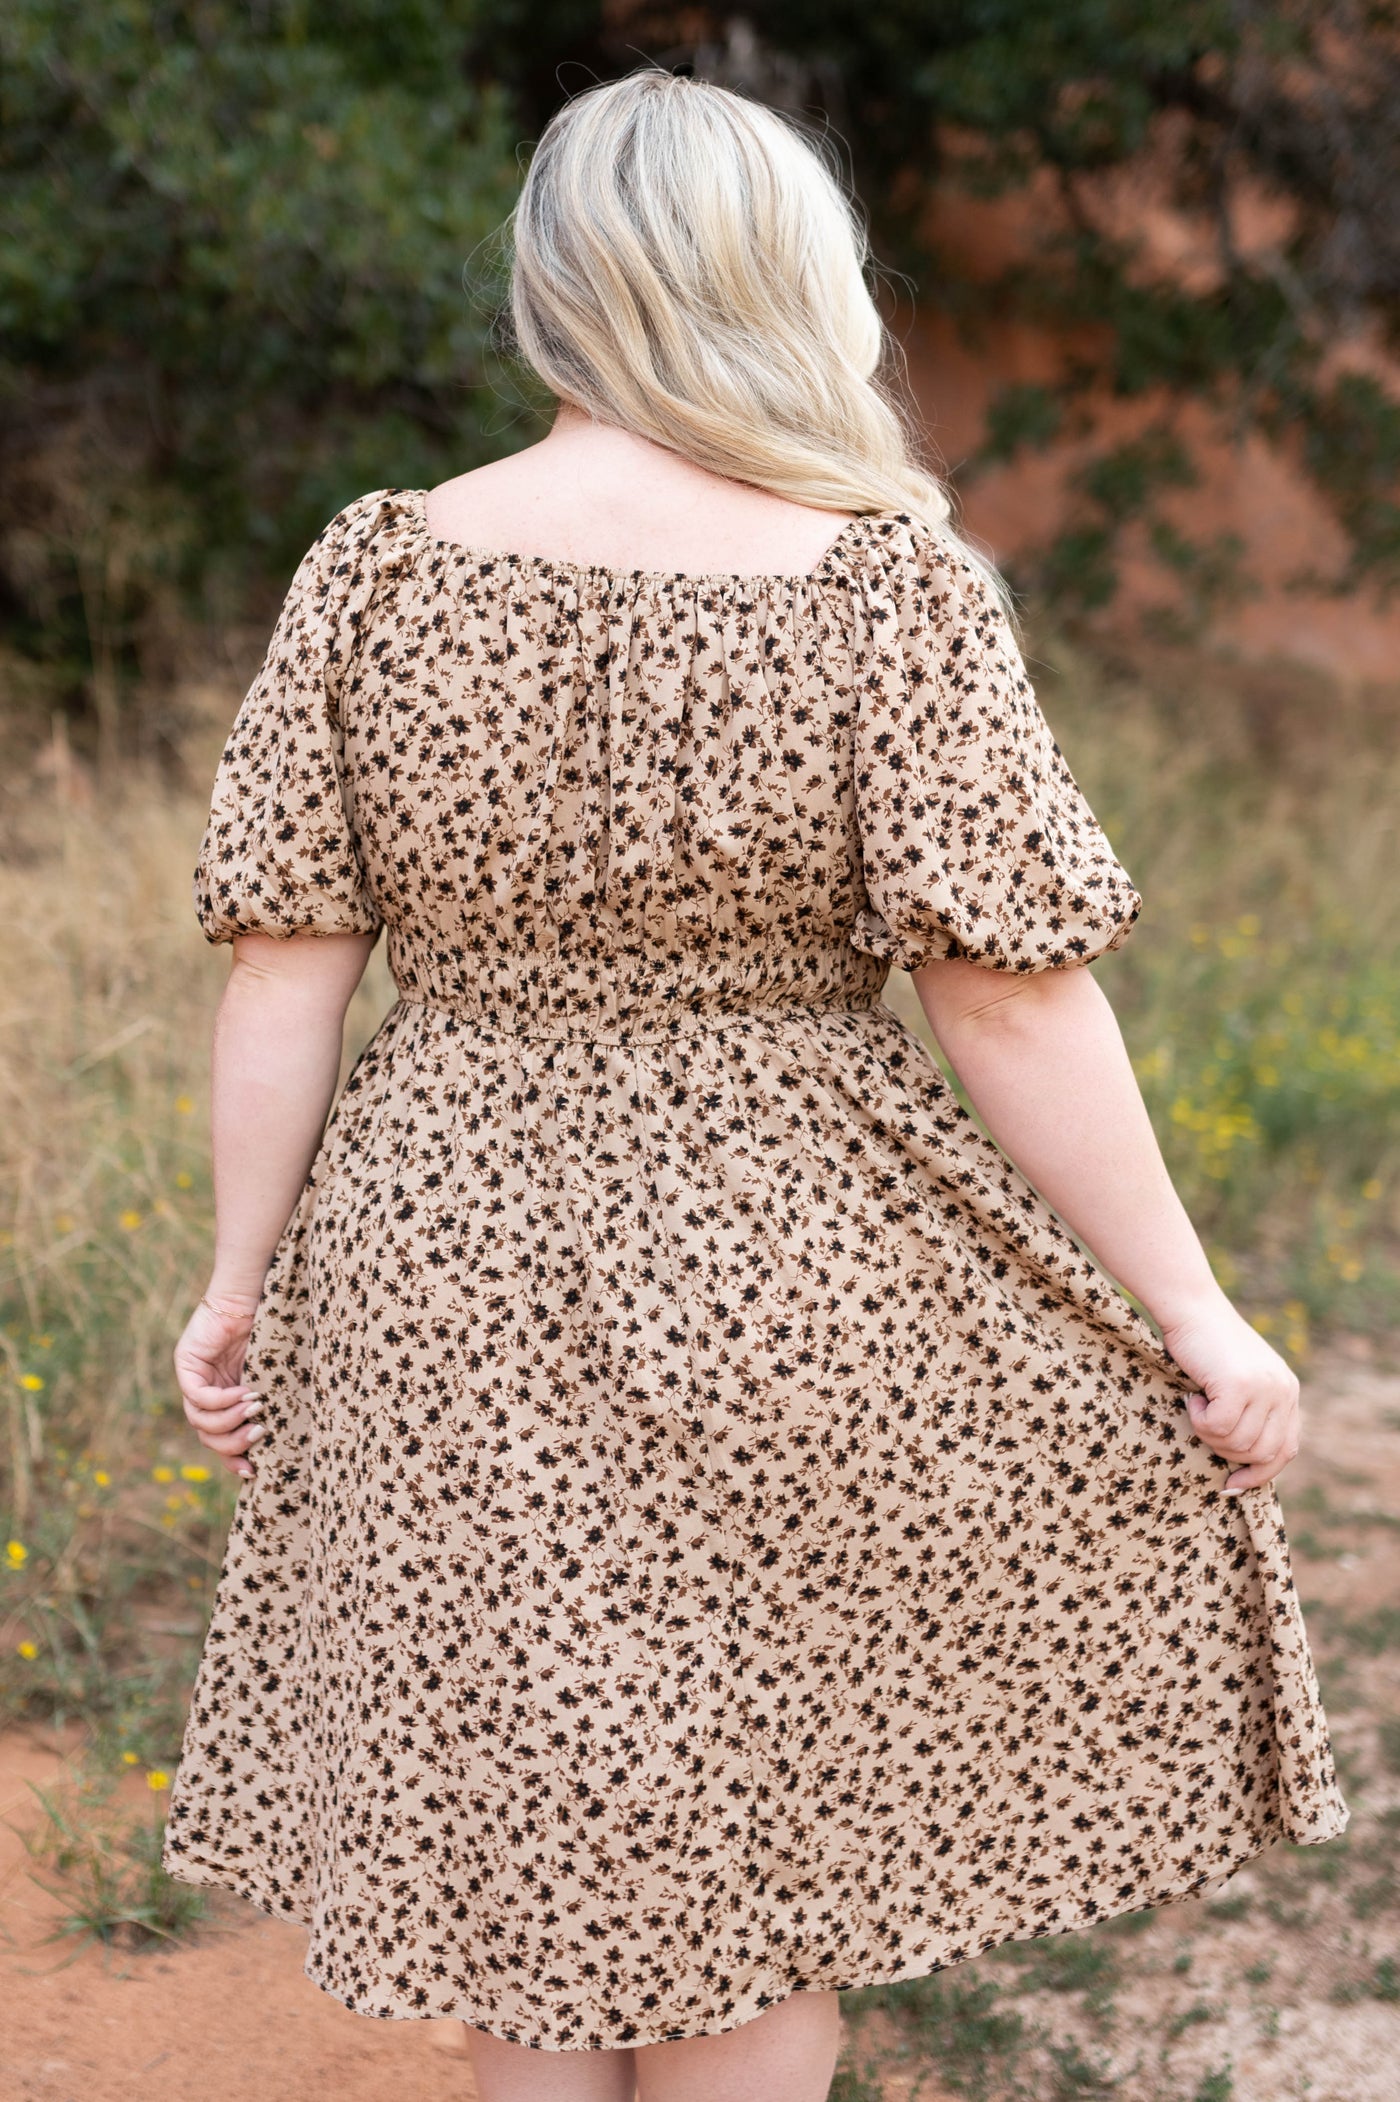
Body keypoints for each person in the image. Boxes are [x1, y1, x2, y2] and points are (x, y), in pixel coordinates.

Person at [165, 66, 1346, 2102]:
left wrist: (239, 1272)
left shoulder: (375, 567)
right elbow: (1005, 995)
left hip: (434, 1241)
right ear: (785, 284)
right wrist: (1187, 1302)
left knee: (531, 1868)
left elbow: (289, 958)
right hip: (788, 1255)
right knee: (744, 1863)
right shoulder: (881, 583)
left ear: (553, 287)